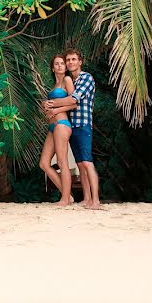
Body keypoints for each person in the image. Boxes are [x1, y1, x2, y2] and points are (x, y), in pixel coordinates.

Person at [45, 49, 102, 209]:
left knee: (87, 162)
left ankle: (95, 200)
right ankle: (87, 198)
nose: (69, 63)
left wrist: (54, 106)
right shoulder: (73, 81)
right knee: (80, 164)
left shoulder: (85, 78)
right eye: (67, 60)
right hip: (73, 124)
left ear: (80, 61)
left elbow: (74, 100)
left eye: (72, 60)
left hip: (83, 124)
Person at [38, 54, 74, 206]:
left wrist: (56, 110)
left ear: (65, 68)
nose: (60, 66)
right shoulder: (54, 86)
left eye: (62, 64)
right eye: (57, 64)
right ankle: (68, 196)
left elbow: (74, 103)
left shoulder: (67, 80)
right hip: (52, 126)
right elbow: (51, 105)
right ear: (53, 68)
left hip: (62, 124)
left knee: (61, 162)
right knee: (44, 163)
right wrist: (45, 105)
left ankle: (65, 199)